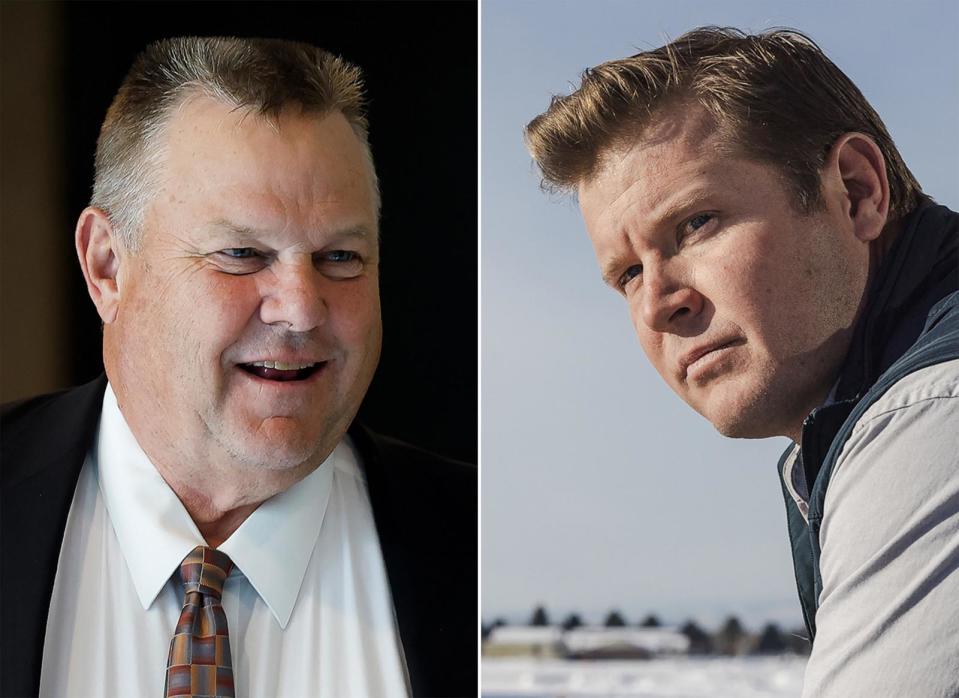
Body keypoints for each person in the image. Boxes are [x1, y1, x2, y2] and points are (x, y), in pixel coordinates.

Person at [1, 37, 475, 698]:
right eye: (241, 253)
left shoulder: (489, 548)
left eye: (339, 257)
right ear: (107, 266)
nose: (301, 309)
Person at [525, 27, 958, 696]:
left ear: (855, 191)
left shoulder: (929, 415)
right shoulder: (860, 414)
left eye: (695, 224)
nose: (657, 305)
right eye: (628, 273)